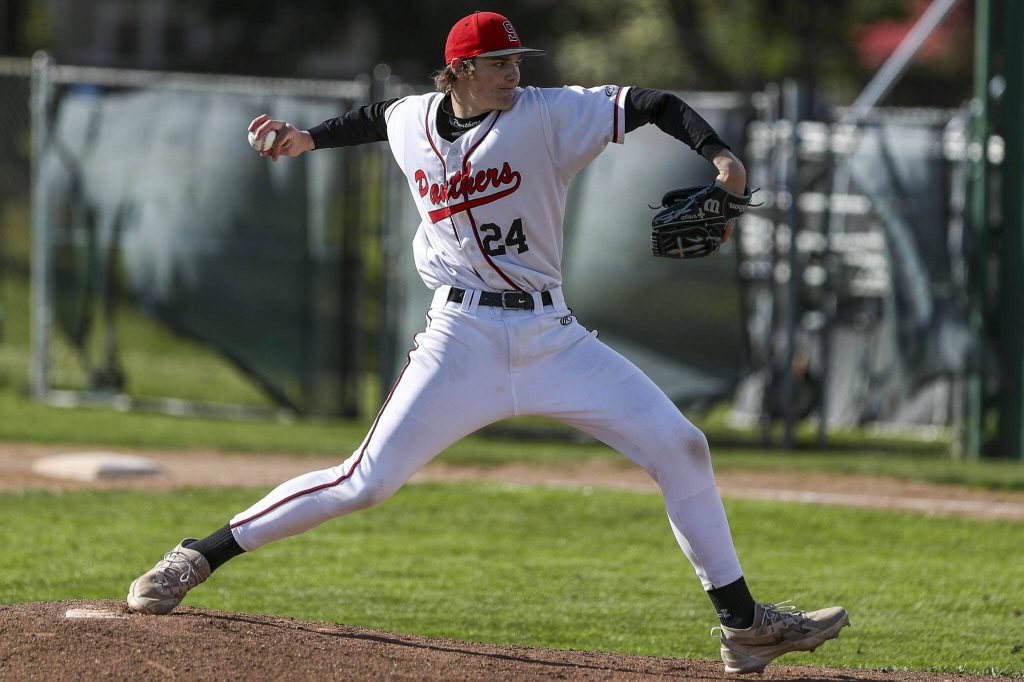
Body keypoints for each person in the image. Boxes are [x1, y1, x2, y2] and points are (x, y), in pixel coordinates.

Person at [126, 11, 848, 674]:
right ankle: (197, 556)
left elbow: (652, 103)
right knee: (364, 482)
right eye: (500, 64)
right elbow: (377, 119)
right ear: (460, 72)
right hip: (461, 337)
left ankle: (742, 626)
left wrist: (720, 158)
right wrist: (304, 138)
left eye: (516, 61)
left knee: (682, 446)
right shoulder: (416, 117)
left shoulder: (549, 115)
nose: (515, 73)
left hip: (553, 338)